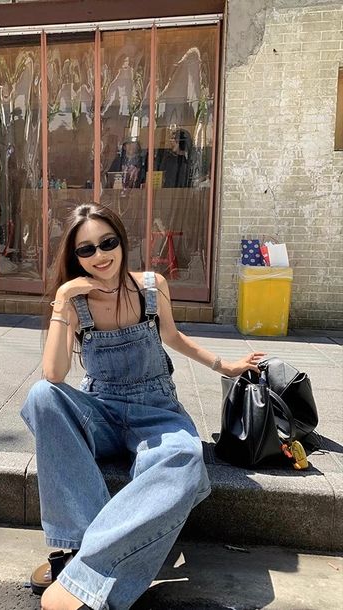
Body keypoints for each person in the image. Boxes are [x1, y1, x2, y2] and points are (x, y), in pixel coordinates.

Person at [20, 203, 264, 610]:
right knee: (41, 396)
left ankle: (83, 567)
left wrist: (225, 365)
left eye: (107, 243)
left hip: (157, 411)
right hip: (102, 410)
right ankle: (78, 546)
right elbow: (54, 374)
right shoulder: (75, 301)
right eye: (86, 250)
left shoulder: (152, 286)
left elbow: (174, 337)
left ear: (121, 241)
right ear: (75, 257)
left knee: (184, 457)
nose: (100, 255)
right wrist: (62, 299)